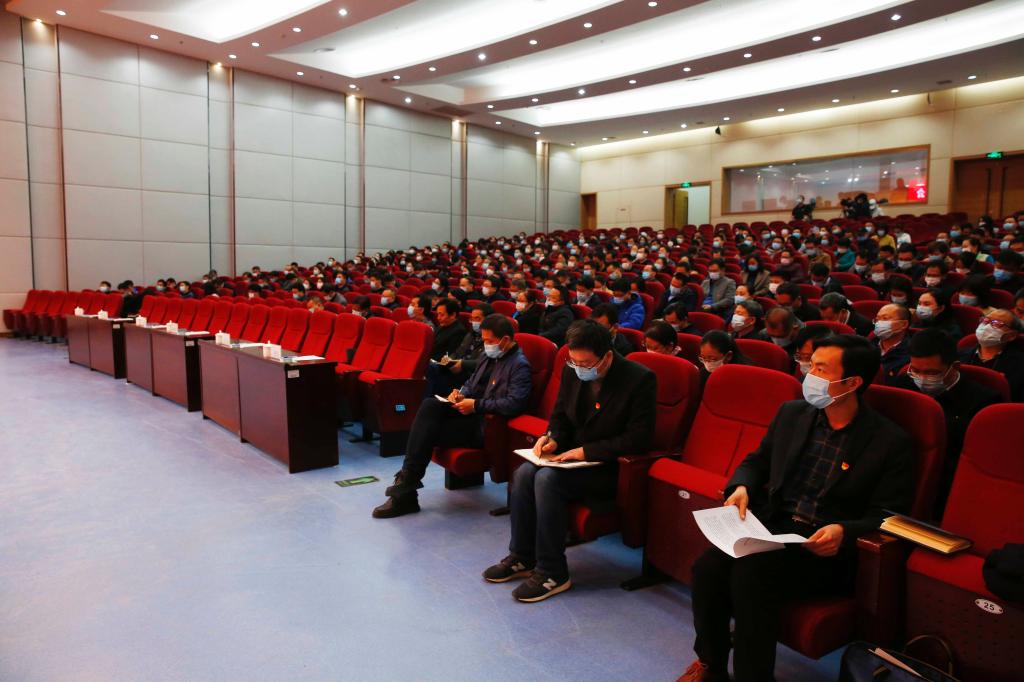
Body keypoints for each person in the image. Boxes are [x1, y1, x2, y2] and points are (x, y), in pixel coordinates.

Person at [679, 335, 912, 682]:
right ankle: (711, 665)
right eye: (810, 365)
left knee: (751, 574)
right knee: (707, 568)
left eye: (821, 370)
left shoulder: (889, 441)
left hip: (822, 547)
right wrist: (741, 486)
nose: (809, 375)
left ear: (852, 383)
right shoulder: (792, 413)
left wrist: (844, 531)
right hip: (774, 527)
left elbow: (888, 514)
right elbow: (757, 461)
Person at [483, 320, 656, 602]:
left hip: (609, 466)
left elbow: (639, 438)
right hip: (571, 458)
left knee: (547, 479)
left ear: (607, 356)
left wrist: (587, 451)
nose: (579, 368)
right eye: (574, 361)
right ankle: (522, 556)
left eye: (585, 363)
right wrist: (551, 438)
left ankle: (553, 572)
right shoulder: (572, 368)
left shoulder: (639, 379)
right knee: (524, 473)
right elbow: (560, 415)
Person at [374, 314, 533, 519]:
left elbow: (514, 403)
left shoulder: (519, 365)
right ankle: (406, 486)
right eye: (484, 340)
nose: (486, 345)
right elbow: (471, 383)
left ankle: (405, 490)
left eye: (489, 341)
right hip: (471, 414)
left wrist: (475, 405)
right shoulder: (488, 356)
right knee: (430, 405)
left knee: (425, 432)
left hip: (486, 425)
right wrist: (460, 393)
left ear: (505, 340)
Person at [891, 329, 1001, 518]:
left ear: (954, 367)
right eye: (915, 370)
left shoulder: (984, 401)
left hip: (947, 483)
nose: (921, 378)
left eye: (931, 372)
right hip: (899, 471)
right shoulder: (903, 385)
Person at [958, 310, 1024, 402]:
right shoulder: (958, 356)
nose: (987, 326)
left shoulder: (1020, 364)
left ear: (1011, 335)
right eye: (985, 320)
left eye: (996, 323)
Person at [872, 303, 912, 384]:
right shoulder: (866, 345)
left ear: (904, 324)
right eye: (877, 320)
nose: (879, 323)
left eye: (885, 318)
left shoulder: (911, 353)